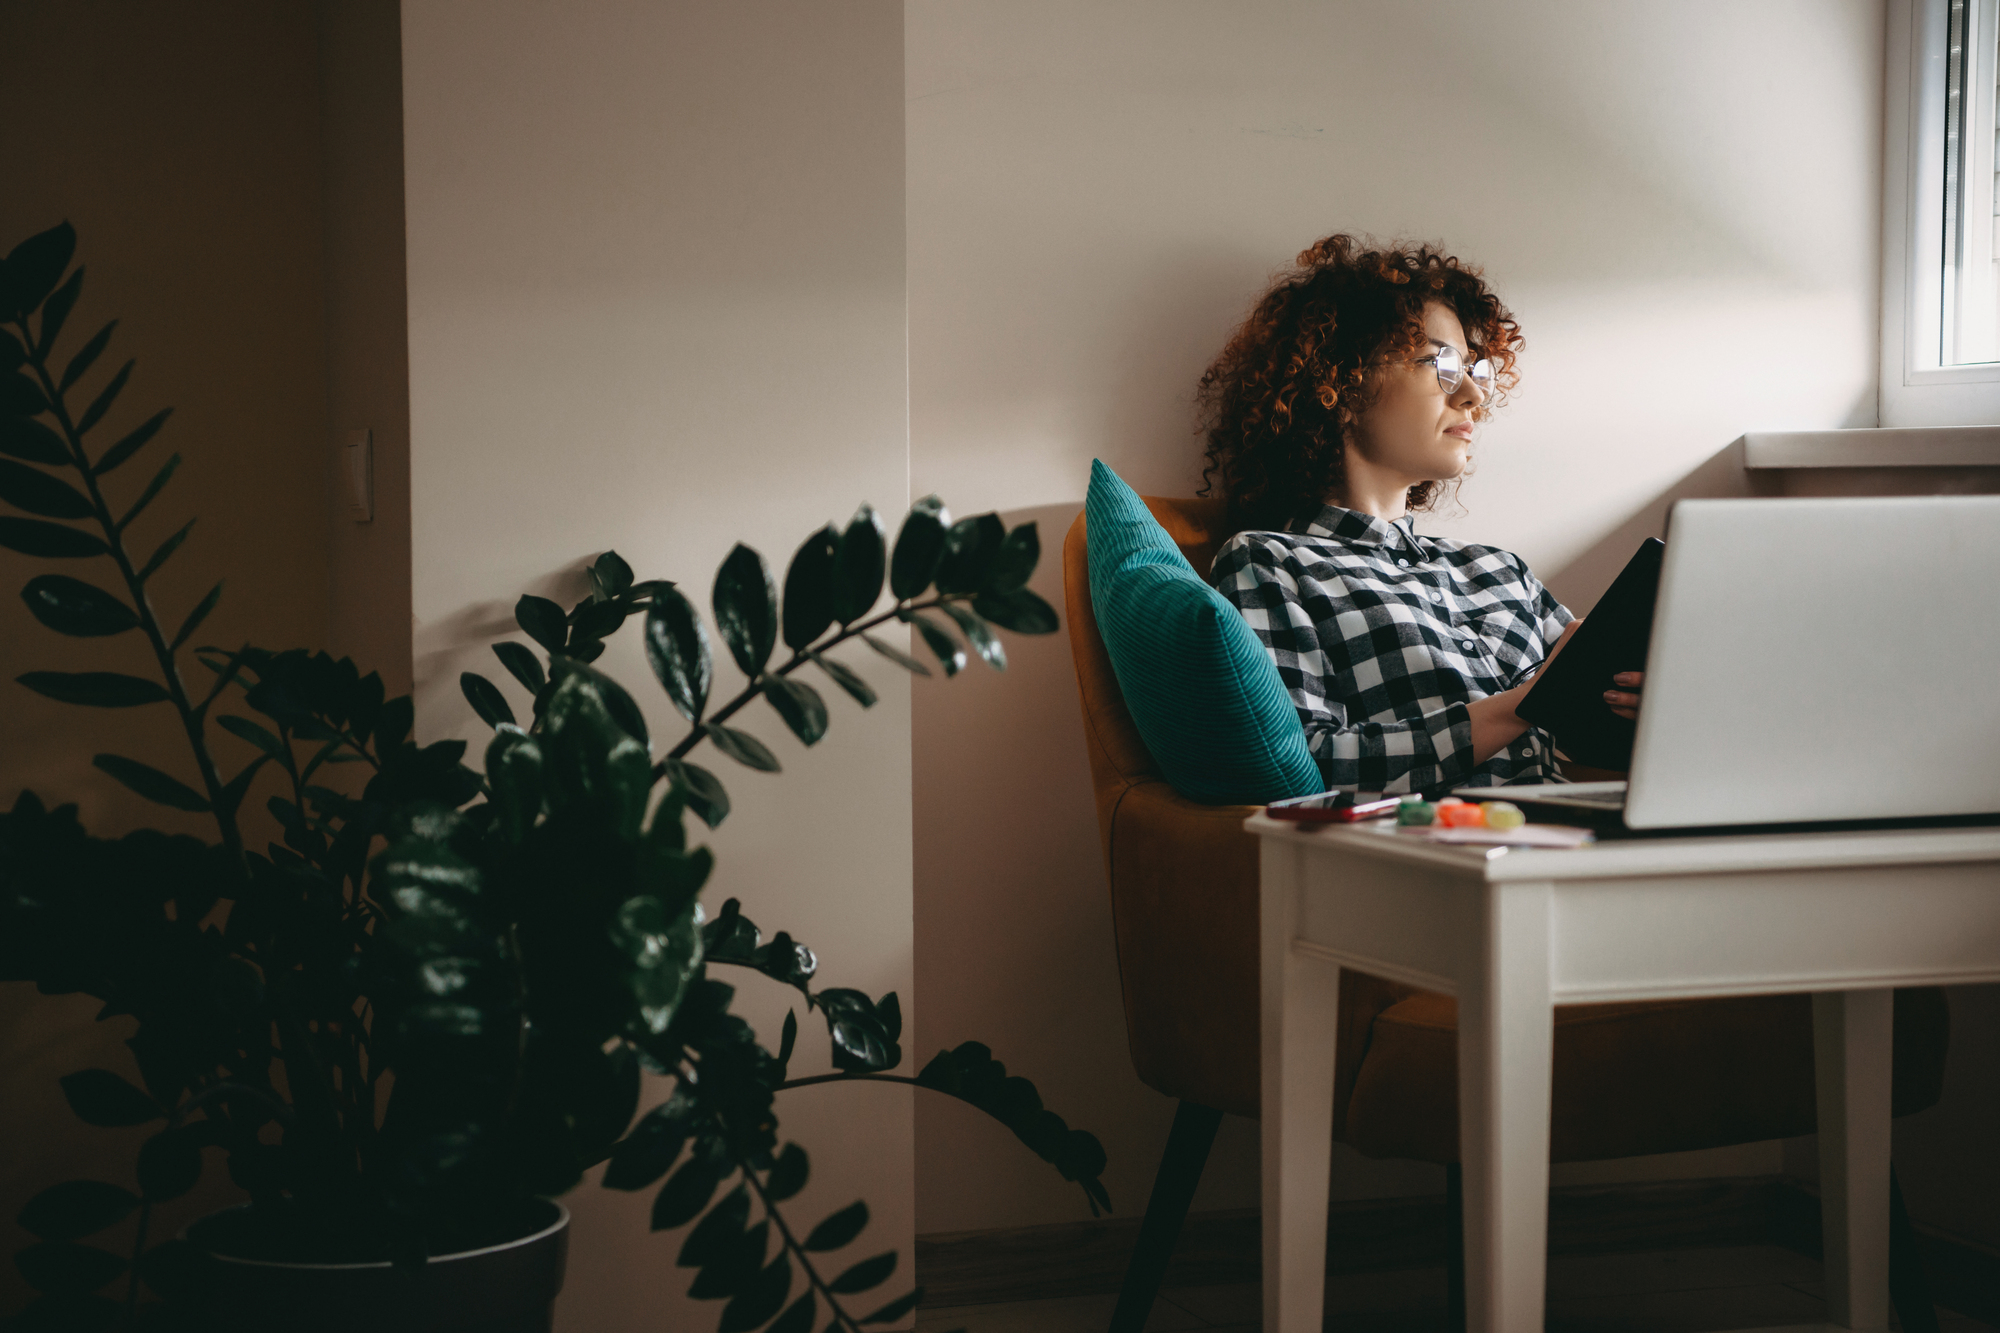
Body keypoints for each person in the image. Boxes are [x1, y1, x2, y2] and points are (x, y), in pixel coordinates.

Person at [1202, 234, 1641, 793]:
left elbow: (1591, 725)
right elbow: (1307, 766)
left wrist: (1639, 704)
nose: (1474, 398)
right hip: (1433, 855)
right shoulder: (1270, 563)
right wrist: (1519, 707)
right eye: (1445, 365)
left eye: (1477, 372)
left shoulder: (1501, 572)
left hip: (1570, 842)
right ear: (1343, 379)